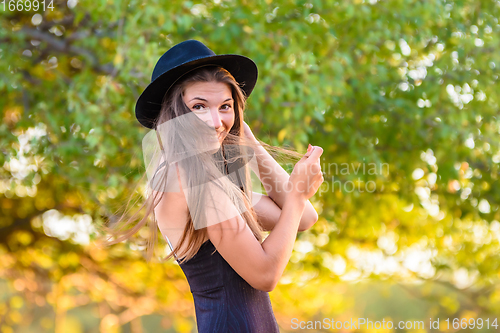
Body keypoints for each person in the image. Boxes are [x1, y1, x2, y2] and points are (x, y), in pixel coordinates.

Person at [100, 40, 324, 332]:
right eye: (199, 107)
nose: (215, 121)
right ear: (175, 113)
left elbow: (304, 218)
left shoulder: (198, 175)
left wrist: (248, 142)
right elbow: (265, 274)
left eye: (225, 107)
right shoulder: (189, 180)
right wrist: (296, 194)